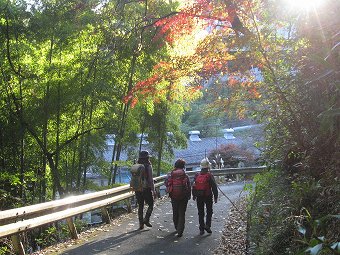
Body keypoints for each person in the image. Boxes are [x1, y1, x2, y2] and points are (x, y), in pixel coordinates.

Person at [164, 159, 191, 237]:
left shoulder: (171, 174)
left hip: (174, 196)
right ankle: (180, 231)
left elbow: (166, 183)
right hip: (184, 196)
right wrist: (189, 195)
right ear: (183, 166)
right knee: (182, 213)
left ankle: (176, 227)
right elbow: (189, 186)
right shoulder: (185, 175)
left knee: (175, 212)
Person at [192, 158, 218, 235]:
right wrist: (215, 197)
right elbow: (214, 187)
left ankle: (201, 229)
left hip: (199, 196)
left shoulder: (197, 175)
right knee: (209, 211)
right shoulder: (209, 175)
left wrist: (194, 195)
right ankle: (208, 226)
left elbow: (194, 186)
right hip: (208, 195)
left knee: (200, 212)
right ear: (208, 167)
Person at [135, 150, 156, 230]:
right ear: (147, 157)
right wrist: (153, 190)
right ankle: (146, 219)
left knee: (140, 206)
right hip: (146, 188)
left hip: (138, 189)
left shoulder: (136, 166)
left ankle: (141, 224)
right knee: (151, 204)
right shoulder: (148, 166)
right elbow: (150, 179)